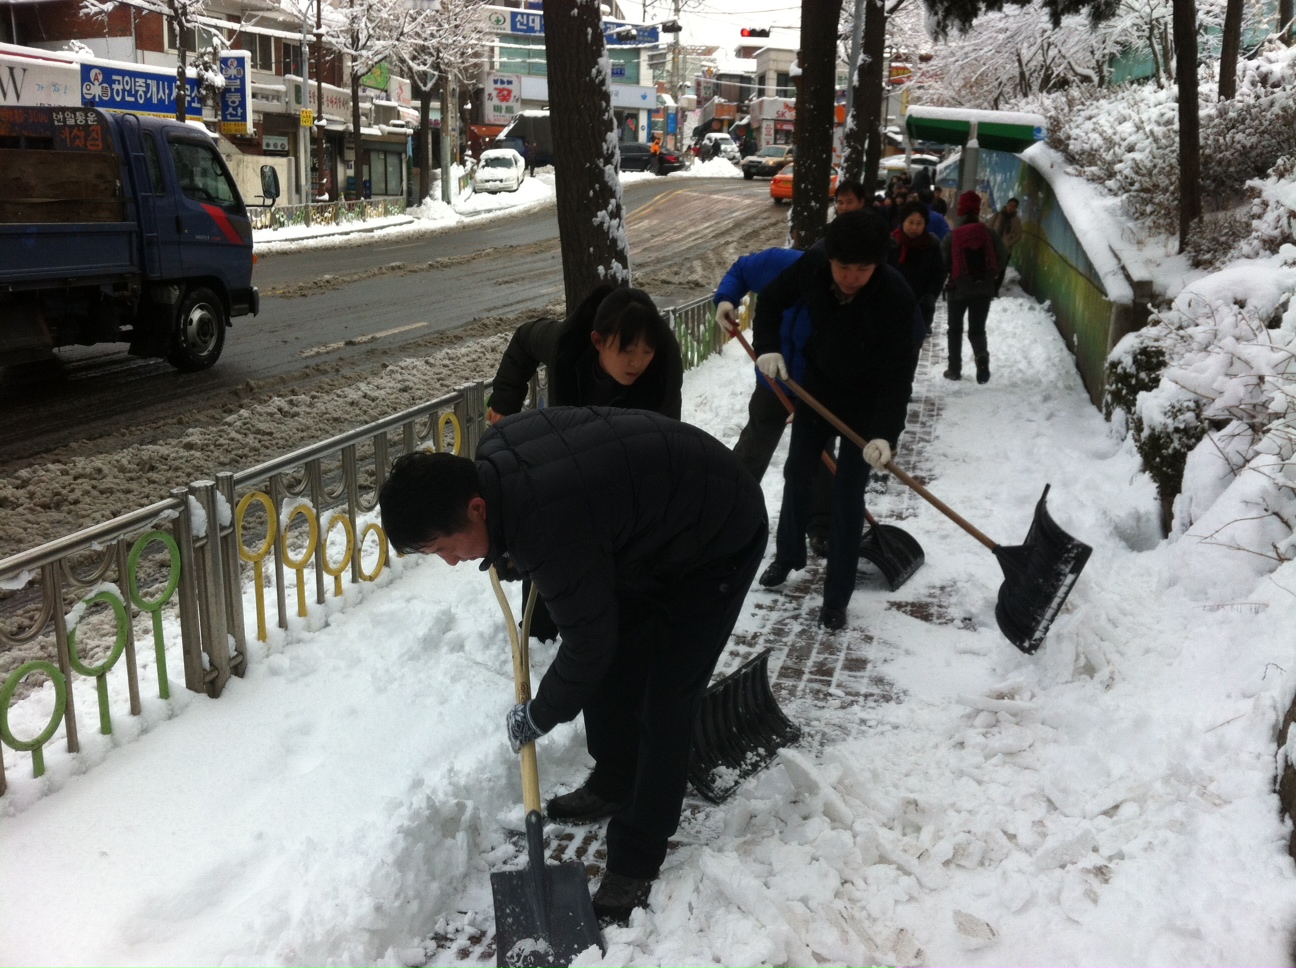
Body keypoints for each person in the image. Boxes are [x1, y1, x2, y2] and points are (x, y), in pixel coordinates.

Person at [378, 407, 769, 923]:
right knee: (617, 651)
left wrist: (541, 714)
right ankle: (614, 778)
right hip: (657, 523)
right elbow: (572, 525)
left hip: (718, 532)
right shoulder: (497, 457)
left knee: (666, 697)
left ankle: (635, 858)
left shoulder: (545, 523)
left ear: (476, 508)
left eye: (444, 548)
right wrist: (514, 550)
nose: (451, 562)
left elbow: (587, 644)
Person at [751, 210, 918, 631]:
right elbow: (770, 301)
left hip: (866, 403)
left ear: (877, 265)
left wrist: (884, 435)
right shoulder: (813, 264)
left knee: (847, 497)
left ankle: (836, 597)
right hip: (819, 388)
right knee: (797, 474)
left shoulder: (896, 298)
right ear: (830, 258)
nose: (850, 276)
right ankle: (788, 556)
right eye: (843, 266)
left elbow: (899, 376)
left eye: (862, 269)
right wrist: (769, 346)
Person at [486, 285, 684, 639]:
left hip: (628, 457)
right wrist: (505, 399)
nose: (638, 361)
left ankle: (613, 624)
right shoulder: (567, 344)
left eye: (646, 350)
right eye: (626, 350)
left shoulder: (663, 368)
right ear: (597, 340)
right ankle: (538, 625)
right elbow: (524, 340)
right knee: (545, 519)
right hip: (565, 445)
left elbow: (664, 440)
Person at [941, 191, 1009, 385]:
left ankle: (954, 369)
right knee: (977, 330)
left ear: (960, 211)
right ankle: (981, 355)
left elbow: (943, 261)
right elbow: (1002, 256)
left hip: (958, 290)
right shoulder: (989, 233)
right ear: (978, 210)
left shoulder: (953, 235)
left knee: (955, 330)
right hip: (983, 289)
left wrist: (951, 275)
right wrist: (990, 276)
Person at [888, 200, 947, 366]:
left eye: (919, 223)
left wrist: (931, 295)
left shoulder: (932, 245)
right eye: (910, 222)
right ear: (903, 221)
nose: (914, 227)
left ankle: (905, 386)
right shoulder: (891, 244)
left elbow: (939, 273)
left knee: (912, 351)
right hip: (892, 307)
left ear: (925, 224)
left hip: (920, 307)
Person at [987, 197, 1024, 292]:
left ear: (1016, 208)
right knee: (989, 267)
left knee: (1001, 270)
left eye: (1013, 206)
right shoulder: (997, 216)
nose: (1010, 208)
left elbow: (1019, 235)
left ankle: (995, 290)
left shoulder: (1016, 220)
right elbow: (988, 228)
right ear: (1006, 205)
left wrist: (1008, 243)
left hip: (1005, 250)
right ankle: (987, 287)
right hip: (993, 247)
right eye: (1009, 205)